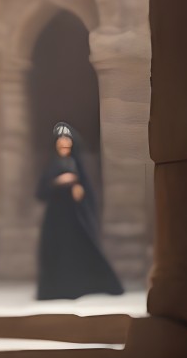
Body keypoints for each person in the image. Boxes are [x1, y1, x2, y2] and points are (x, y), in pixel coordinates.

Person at [34, 121, 123, 300]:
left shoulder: (76, 163)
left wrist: (78, 188)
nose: (64, 146)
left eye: (68, 143)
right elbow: (41, 192)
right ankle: (56, 289)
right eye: (61, 143)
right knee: (57, 252)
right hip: (56, 219)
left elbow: (85, 189)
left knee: (79, 250)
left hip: (75, 218)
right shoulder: (53, 165)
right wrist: (60, 182)